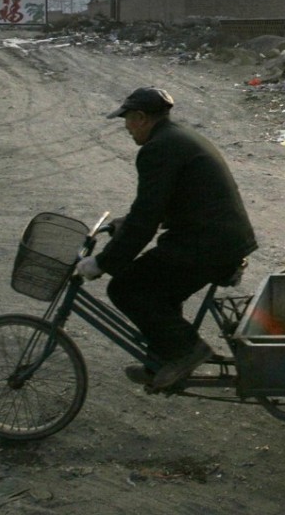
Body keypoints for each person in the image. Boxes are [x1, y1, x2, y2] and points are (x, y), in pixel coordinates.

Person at [77, 87, 258, 390]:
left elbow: (147, 219)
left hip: (208, 243)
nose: (126, 127)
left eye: (127, 120)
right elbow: (158, 205)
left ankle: (188, 351)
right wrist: (126, 223)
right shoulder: (175, 138)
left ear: (141, 117)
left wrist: (104, 262)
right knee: (157, 287)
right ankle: (161, 360)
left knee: (126, 286)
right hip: (217, 238)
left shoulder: (158, 149)